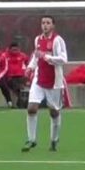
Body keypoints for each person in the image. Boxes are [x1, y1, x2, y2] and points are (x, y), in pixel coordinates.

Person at [22, 15, 67, 153]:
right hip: (39, 79)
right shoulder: (38, 39)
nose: (45, 25)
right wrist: (30, 67)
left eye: (48, 23)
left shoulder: (57, 40)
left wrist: (46, 56)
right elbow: (36, 56)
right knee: (31, 108)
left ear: (53, 25)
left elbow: (63, 59)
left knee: (54, 112)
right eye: (43, 23)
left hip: (54, 82)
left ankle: (54, 140)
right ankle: (32, 139)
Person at [5, 43, 30, 108]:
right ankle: (20, 103)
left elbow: (29, 64)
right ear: (10, 49)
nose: (15, 51)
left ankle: (20, 103)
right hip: (9, 77)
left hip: (20, 76)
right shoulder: (4, 56)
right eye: (13, 50)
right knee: (15, 84)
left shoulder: (23, 56)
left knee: (20, 83)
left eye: (17, 49)